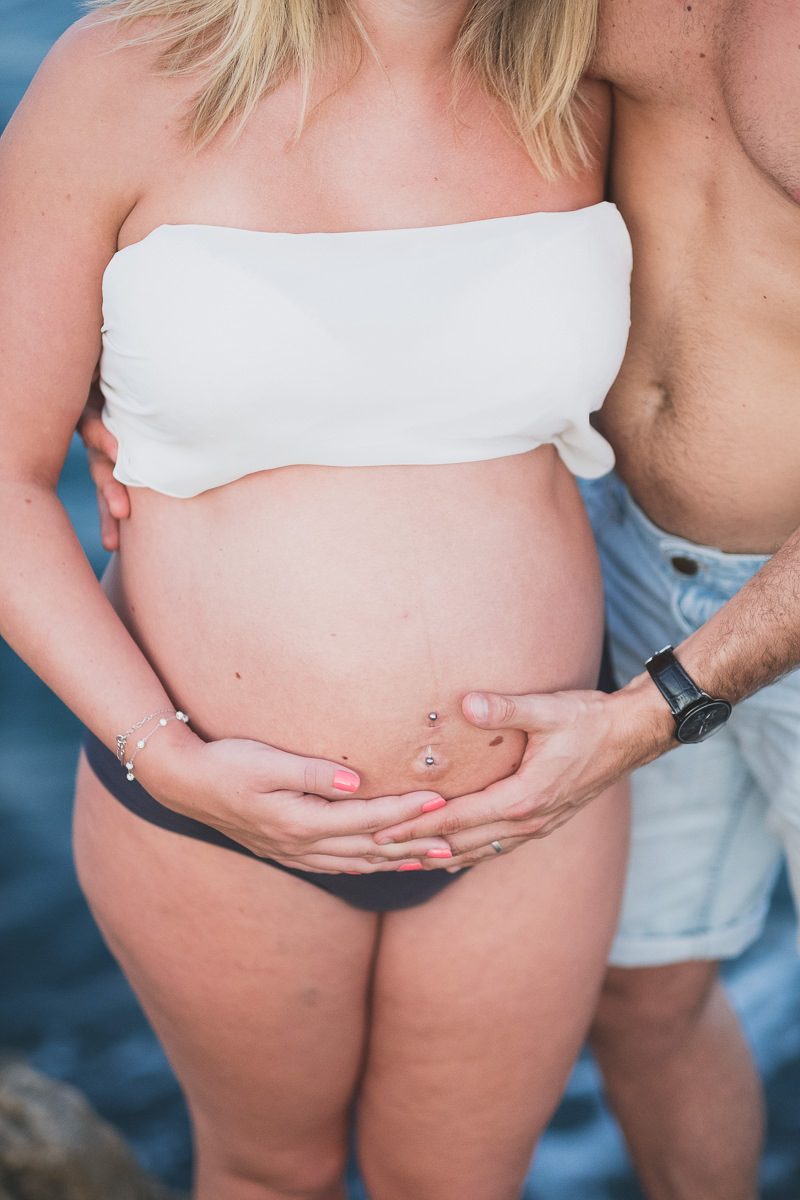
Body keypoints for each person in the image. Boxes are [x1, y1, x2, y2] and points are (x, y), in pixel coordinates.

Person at [0, 2, 633, 1198]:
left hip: (533, 801)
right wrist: (166, 758)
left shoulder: (596, 73)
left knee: (460, 1185)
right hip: (202, 803)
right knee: (267, 1174)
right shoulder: (122, 72)